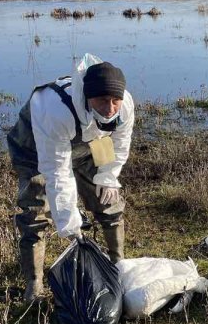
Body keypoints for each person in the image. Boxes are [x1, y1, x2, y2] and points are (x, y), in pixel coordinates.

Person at [7, 53, 134, 301]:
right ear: (87, 97)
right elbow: (57, 171)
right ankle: (34, 286)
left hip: (90, 143)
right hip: (36, 149)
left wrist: (108, 176)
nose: (110, 108)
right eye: (102, 101)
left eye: (114, 101)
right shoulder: (54, 109)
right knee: (35, 213)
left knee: (109, 202)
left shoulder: (124, 105)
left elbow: (120, 143)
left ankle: (118, 266)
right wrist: (69, 220)